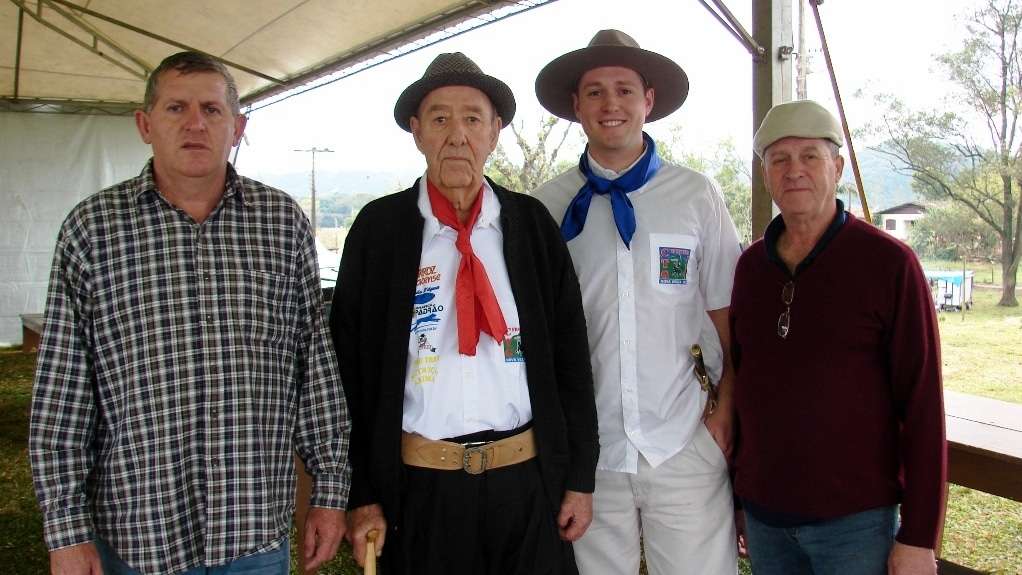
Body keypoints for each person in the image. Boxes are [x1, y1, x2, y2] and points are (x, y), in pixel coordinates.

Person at [28, 51, 350, 575]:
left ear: (237, 128)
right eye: (176, 108)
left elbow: (314, 369)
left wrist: (329, 491)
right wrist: (66, 531)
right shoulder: (93, 230)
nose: (195, 123)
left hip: (252, 532)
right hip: (138, 533)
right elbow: (64, 393)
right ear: (145, 124)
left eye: (212, 109)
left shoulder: (281, 225)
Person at [329, 52, 599, 575]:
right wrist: (361, 491)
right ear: (417, 132)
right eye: (439, 118)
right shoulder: (380, 231)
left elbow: (571, 360)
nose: (457, 135)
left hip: (525, 486)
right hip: (420, 492)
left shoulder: (531, 225)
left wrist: (579, 477)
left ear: (495, 132)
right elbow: (350, 374)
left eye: (473, 118)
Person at [533, 30, 742, 575]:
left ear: (648, 101)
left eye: (624, 90)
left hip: (683, 441)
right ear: (576, 105)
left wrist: (724, 418)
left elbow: (729, 318)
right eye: (595, 91)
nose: (611, 105)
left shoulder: (697, 196)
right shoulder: (545, 208)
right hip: (590, 456)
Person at [729, 99, 946, 575]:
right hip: (765, 517)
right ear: (764, 173)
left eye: (810, 156)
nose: (794, 171)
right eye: (779, 159)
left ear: (838, 167)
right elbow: (743, 385)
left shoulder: (889, 264)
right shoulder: (750, 268)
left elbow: (923, 403)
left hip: (856, 523)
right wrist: (738, 496)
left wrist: (919, 535)